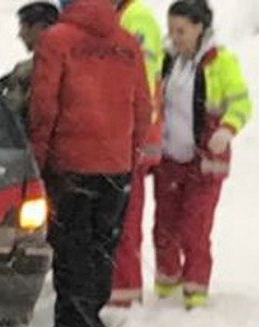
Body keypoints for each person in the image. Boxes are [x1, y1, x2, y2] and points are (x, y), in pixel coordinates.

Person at [30, 0, 151, 327]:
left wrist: (39, 155)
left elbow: (44, 105)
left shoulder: (57, 40)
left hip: (70, 163)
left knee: (71, 247)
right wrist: (130, 153)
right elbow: (142, 105)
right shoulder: (128, 44)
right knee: (102, 246)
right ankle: (87, 319)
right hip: (115, 165)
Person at [153, 0, 252, 310]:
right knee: (164, 227)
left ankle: (195, 293)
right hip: (169, 160)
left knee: (195, 228)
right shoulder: (167, 60)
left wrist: (227, 129)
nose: (175, 37)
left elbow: (241, 104)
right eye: (171, 30)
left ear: (199, 28)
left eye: (180, 31)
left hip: (204, 161)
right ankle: (167, 285)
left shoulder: (221, 63)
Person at [109, 0, 163, 307]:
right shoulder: (125, 16)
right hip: (125, 135)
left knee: (124, 220)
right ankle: (119, 290)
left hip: (132, 137)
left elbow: (139, 80)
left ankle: (123, 295)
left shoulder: (137, 18)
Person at [0, 1, 59, 129]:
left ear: (39, 28)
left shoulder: (26, 71)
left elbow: (9, 116)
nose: (19, 34)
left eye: (23, 26)